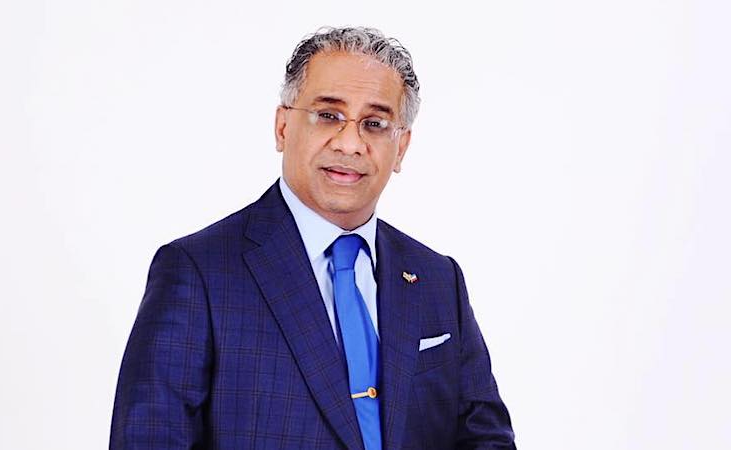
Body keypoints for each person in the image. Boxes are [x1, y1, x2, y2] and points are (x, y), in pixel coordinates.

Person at [110, 26, 515, 449]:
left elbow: (485, 438)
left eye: (375, 124)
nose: (350, 143)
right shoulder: (198, 273)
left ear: (401, 147)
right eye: (329, 115)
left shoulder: (437, 279)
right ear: (283, 127)